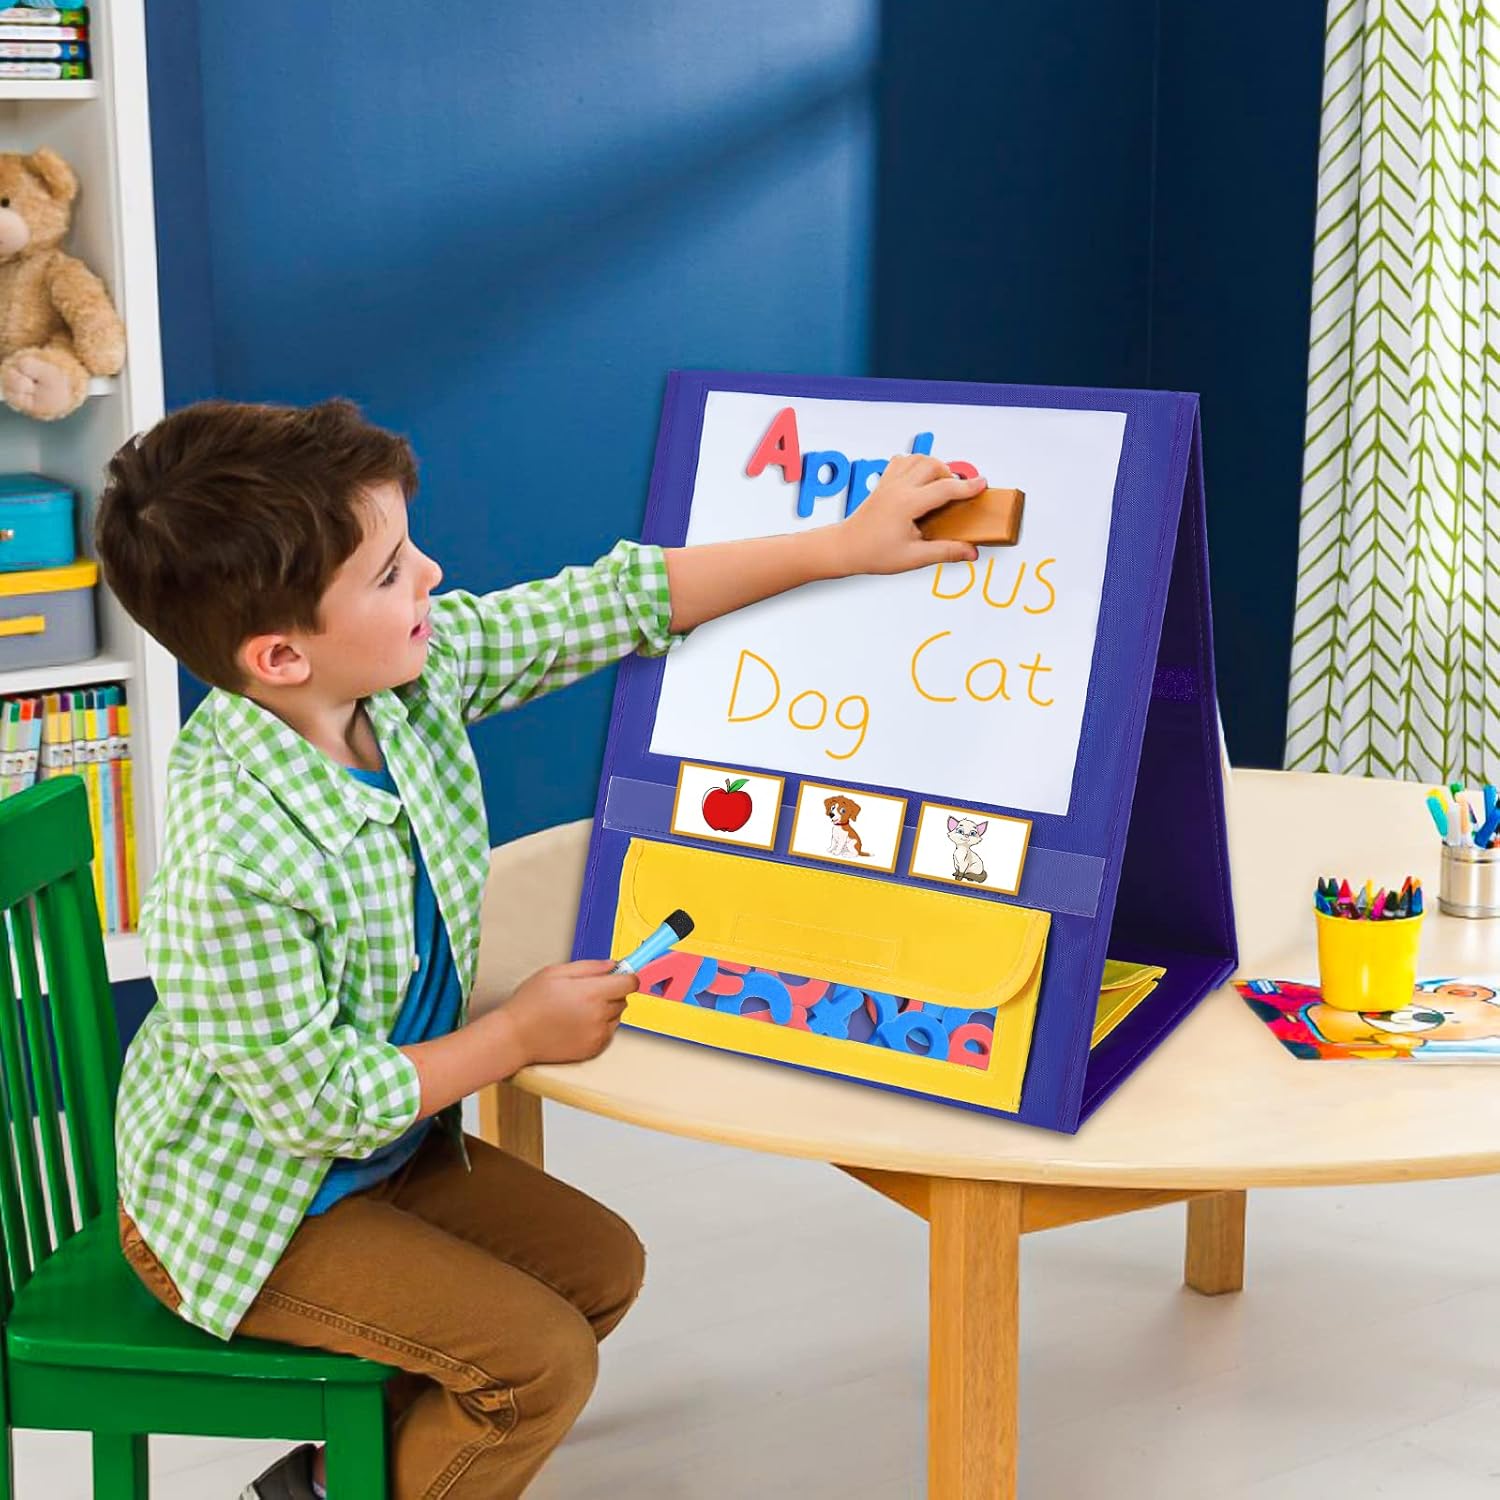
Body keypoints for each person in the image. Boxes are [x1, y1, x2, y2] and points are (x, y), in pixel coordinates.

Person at [95, 397, 982, 1499]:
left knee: (600, 1272)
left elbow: (603, 605)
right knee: (537, 1368)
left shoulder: (400, 685)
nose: (431, 574)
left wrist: (839, 547)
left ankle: (331, 1478)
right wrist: (516, 1035)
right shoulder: (229, 861)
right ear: (280, 655)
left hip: (380, 1157)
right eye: (390, 572)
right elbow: (319, 1104)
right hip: (252, 1210)